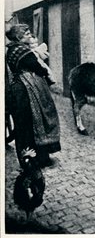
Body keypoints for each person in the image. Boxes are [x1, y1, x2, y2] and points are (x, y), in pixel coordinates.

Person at [5, 24, 61, 168]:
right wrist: (43, 71)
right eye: (27, 33)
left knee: (25, 124)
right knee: (38, 119)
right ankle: (39, 159)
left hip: (19, 87)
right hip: (29, 88)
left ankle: (29, 158)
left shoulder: (11, 49)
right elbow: (38, 67)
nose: (30, 35)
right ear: (19, 37)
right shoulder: (23, 51)